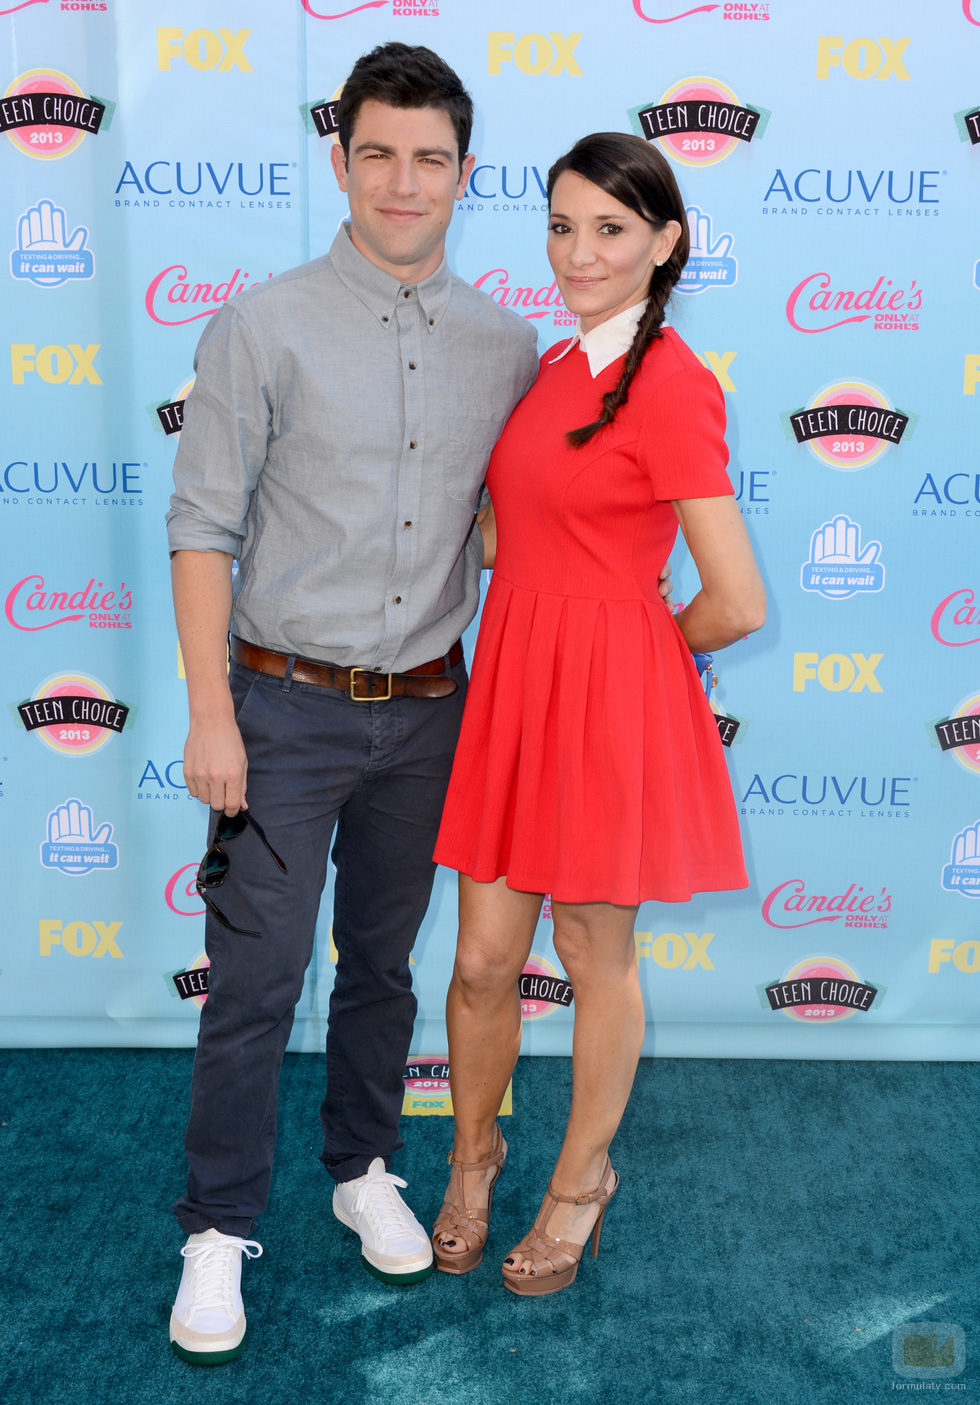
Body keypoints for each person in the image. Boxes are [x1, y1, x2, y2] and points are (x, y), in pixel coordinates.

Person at [164, 43, 539, 1364]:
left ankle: (362, 1165)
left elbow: (508, 524)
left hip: (432, 712)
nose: (402, 181)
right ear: (339, 160)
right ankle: (218, 1226)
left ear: (464, 174)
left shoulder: (507, 345)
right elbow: (202, 527)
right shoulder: (260, 325)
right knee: (255, 978)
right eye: (377, 152)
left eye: (429, 158)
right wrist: (210, 714)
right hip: (281, 710)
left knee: (381, 965)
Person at [430, 132, 766, 1296]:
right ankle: (473, 1157)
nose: (578, 253)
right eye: (561, 227)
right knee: (482, 960)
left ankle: (579, 1180)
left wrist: (636, 658)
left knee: (587, 951)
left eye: (609, 230)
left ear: (665, 243)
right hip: (513, 686)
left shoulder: (671, 385)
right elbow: (513, 529)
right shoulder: (549, 366)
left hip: (601, 703)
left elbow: (735, 599)